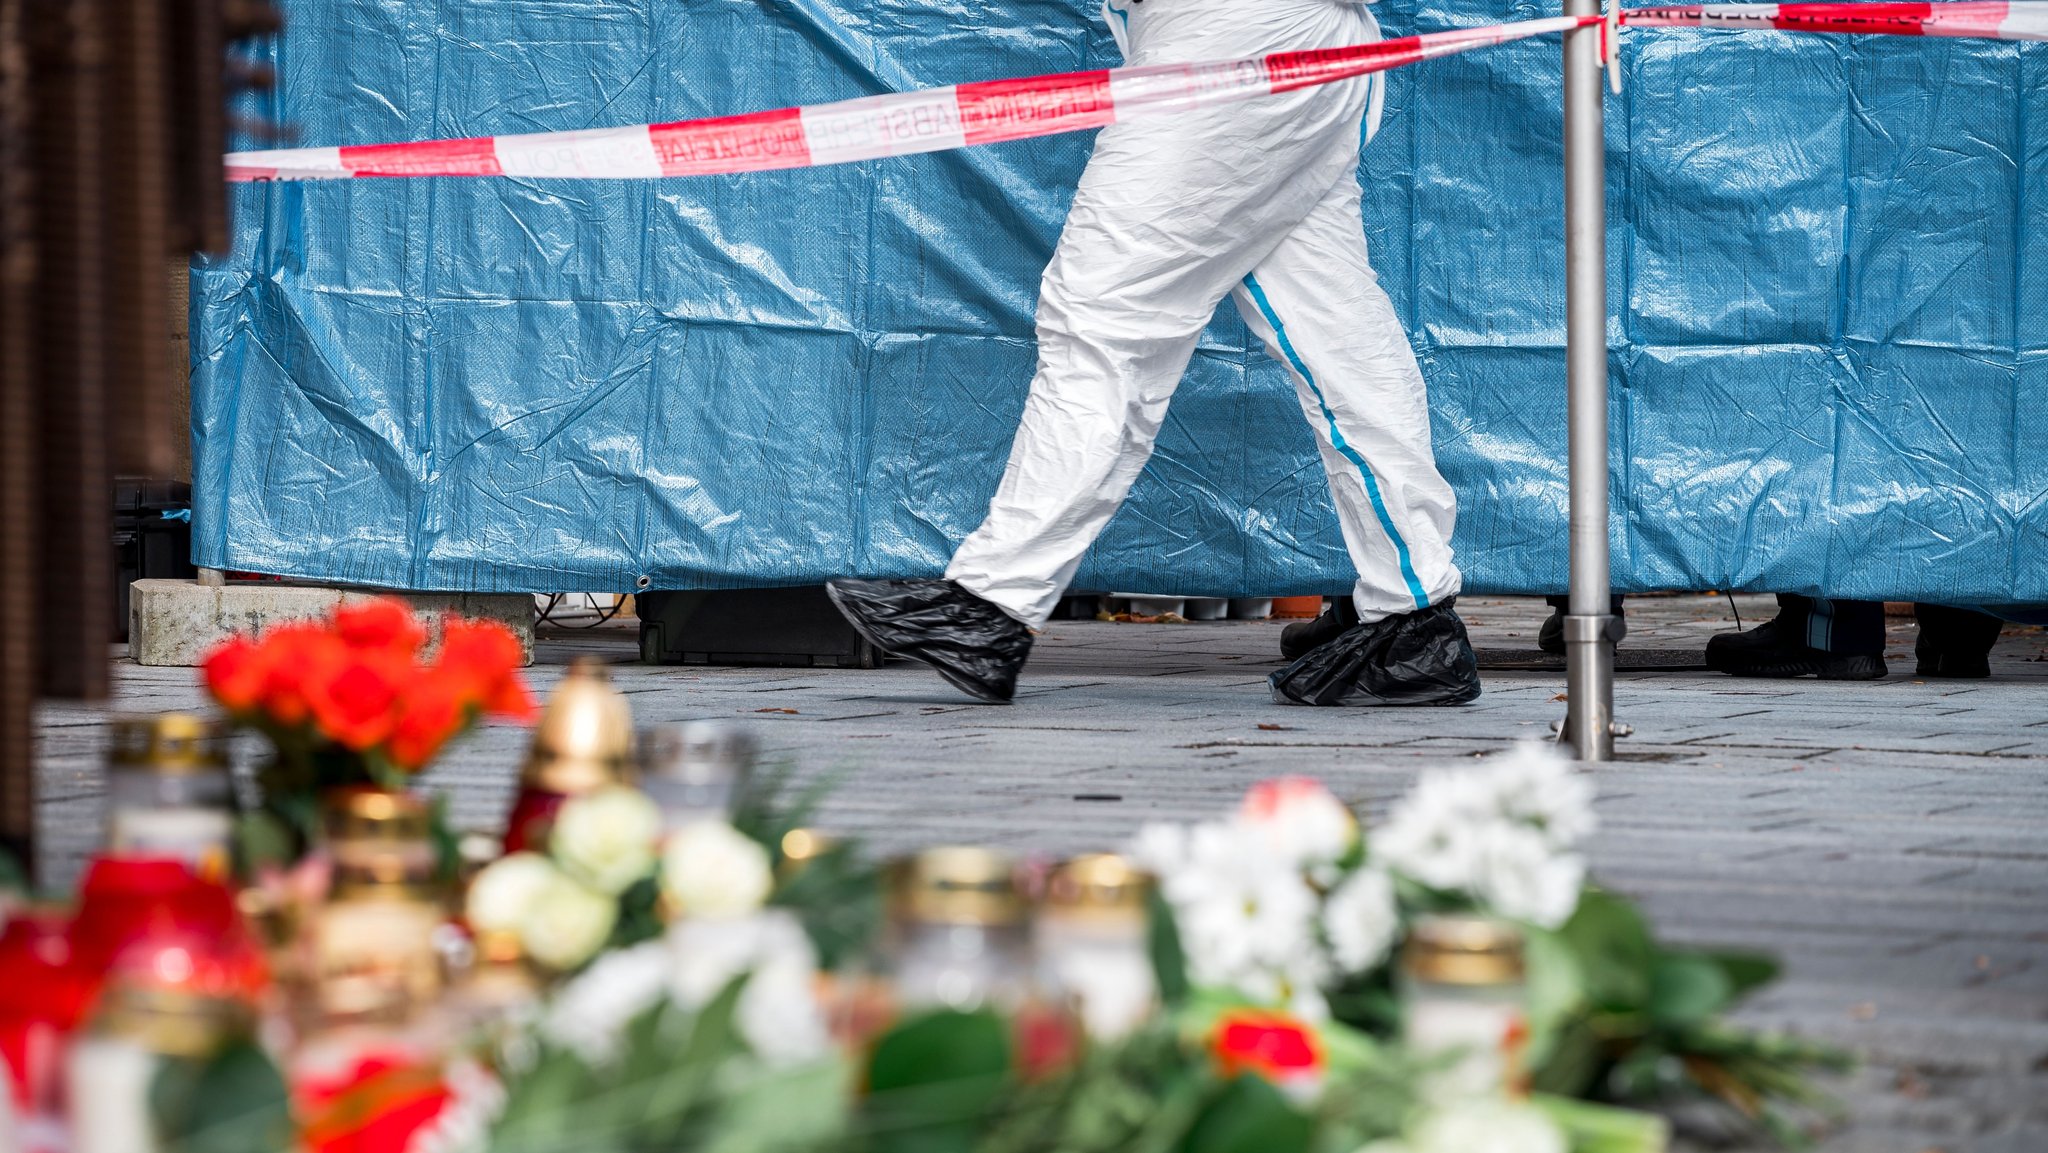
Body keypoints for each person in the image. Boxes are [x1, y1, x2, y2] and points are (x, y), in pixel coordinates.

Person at [828, 0, 1478, 707]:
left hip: (1232, 38)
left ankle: (992, 603)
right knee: (1334, 327)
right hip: (1291, 43)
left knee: (1103, 320)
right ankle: (1413, 617)